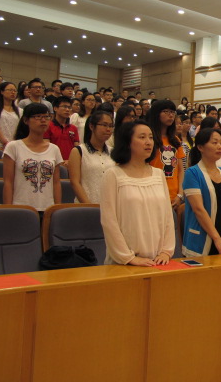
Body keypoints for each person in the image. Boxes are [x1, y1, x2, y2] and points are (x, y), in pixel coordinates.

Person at [100, 121, 174, 266]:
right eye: (142, 137)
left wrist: (166, 251)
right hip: (124, 262)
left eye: (151, 137)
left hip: (158, 260)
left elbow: (168, 217)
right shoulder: (113, 175)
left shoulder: (158, 174)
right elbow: (109, 221)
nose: (148, 142)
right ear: (127, 142)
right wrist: (128, 258)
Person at [183, 127, 221, 256]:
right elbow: (198, 209)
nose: (220, 147)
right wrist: (216, 239)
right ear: (200, 147)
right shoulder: (192, 173)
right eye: (214, 142)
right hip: (201, 239)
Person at [2, 103, 62, 213]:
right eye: (38, 116)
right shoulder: (13, 147)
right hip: (20, 208)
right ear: (26, 120)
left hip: (47, 208)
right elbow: (8, 182)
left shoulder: (54, 149)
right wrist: (8, 210)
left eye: (46, 117)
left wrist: (57, 208)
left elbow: (56, 183)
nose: (43, 120)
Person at [68, 111, 114, 203]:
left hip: (109, 205)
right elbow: (75, 182)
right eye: (104, 125)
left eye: (111, 126)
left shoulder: (113, 152)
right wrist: (89, 206)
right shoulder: (78, 151)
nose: (108, 129)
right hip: (86, 206)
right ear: (92, 126)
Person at [147, 100, 185, 209]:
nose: (170, 115)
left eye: (172, 112)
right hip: (154, 194)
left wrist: (180, 194)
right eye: (166, 111)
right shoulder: (149, 139)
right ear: (156, 114)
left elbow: (181, 170)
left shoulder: (175, 140)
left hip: (174, 196)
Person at [44, 96, 79, 162]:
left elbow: (76, 148)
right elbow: (46, 147)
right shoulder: (48, 126)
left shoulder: (73, 128)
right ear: (55, 108)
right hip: (53, 162)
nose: (67, 110)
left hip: (70, 163)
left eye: (69, 107)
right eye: (64, 107)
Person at [0, 81, 20, 148]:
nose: (13, 92)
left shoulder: (20, 110)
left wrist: (12, 143)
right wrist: (4, 142)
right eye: (10, 90)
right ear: (2, 92)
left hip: (12, 146)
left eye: (15, 90)